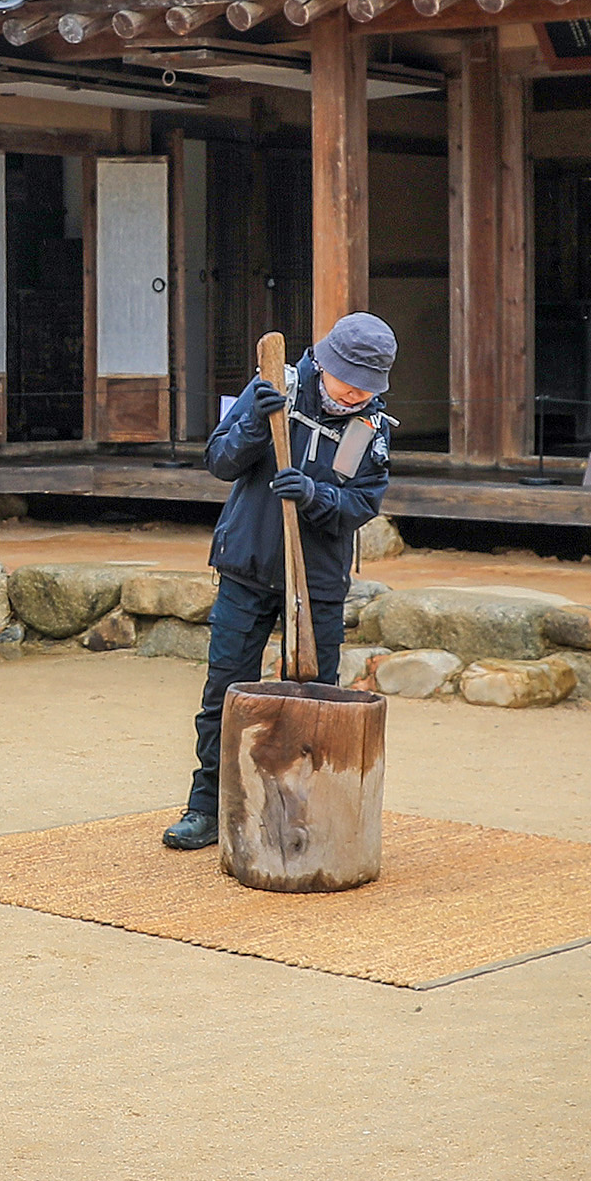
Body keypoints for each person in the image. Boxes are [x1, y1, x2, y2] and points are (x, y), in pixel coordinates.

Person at [161, 314, 398, 852]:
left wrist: (316, 496)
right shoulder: (276, 385)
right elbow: (220, 461)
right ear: (325, 363)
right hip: (248, 563)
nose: (355, 392)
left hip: (317, 581)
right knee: (225, 693)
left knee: (313, 700)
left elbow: (362, 502)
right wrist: (254, 421)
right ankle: (209, 807)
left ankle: (300, 813)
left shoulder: (370, 427)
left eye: (367, 385)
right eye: (348, 380)